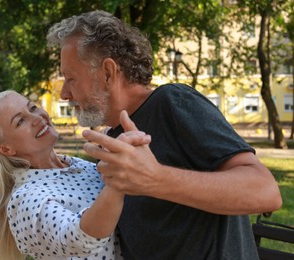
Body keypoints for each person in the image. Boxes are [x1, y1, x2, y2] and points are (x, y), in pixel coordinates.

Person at [46, 10, 282, 259]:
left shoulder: (174, 103)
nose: (64, 93)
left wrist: (155, 178)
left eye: (70, 78)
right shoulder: (114, 138)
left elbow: (265, 191)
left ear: (107, 72)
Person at [0, 90, 150, 259]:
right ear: (5, 149)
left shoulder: (77, 166)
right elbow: (80, 238)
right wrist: (116, 179)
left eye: (33, 108)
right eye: (20, 121)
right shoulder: (25, 199)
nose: (37, 118)